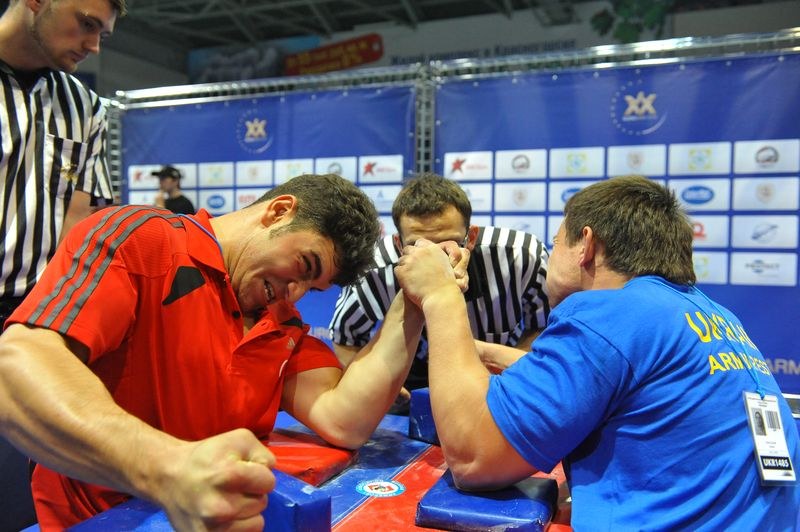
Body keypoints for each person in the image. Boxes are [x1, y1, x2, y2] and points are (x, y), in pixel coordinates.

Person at [0, 173, 454, 531]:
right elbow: (18, 364)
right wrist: (167, 469)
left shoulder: (283, 322)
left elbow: (345, 419)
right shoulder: (143, 240)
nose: (293, 293)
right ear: (279, 211)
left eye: (310, 287)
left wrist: (414, 302)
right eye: (304, 266)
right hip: (99, 521)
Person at [395, 175, 800, 529]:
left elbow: (473, 460)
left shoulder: (608, 313)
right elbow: (619, 391)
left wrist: (440, 295)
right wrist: (487, 353)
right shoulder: (707, 314)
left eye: (554, 244)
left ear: (585, 245)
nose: (548, 256)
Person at [0, 1, 124, 530]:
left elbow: (81, 224)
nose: (94, 44)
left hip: (28, 317)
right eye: (86, 22)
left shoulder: (85, 106)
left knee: (17, 497)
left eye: (104, 31)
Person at [329, 173, 549, 411]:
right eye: (417, 246)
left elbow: (543, 325)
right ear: (398, 244)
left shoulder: (521, 257)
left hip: (496, 381)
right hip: (412, 383)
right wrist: (376, 389)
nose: (435, 257)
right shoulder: (375, 269)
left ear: (471, 237)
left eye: (449, 243)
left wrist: (516, 377)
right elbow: (346, 337)